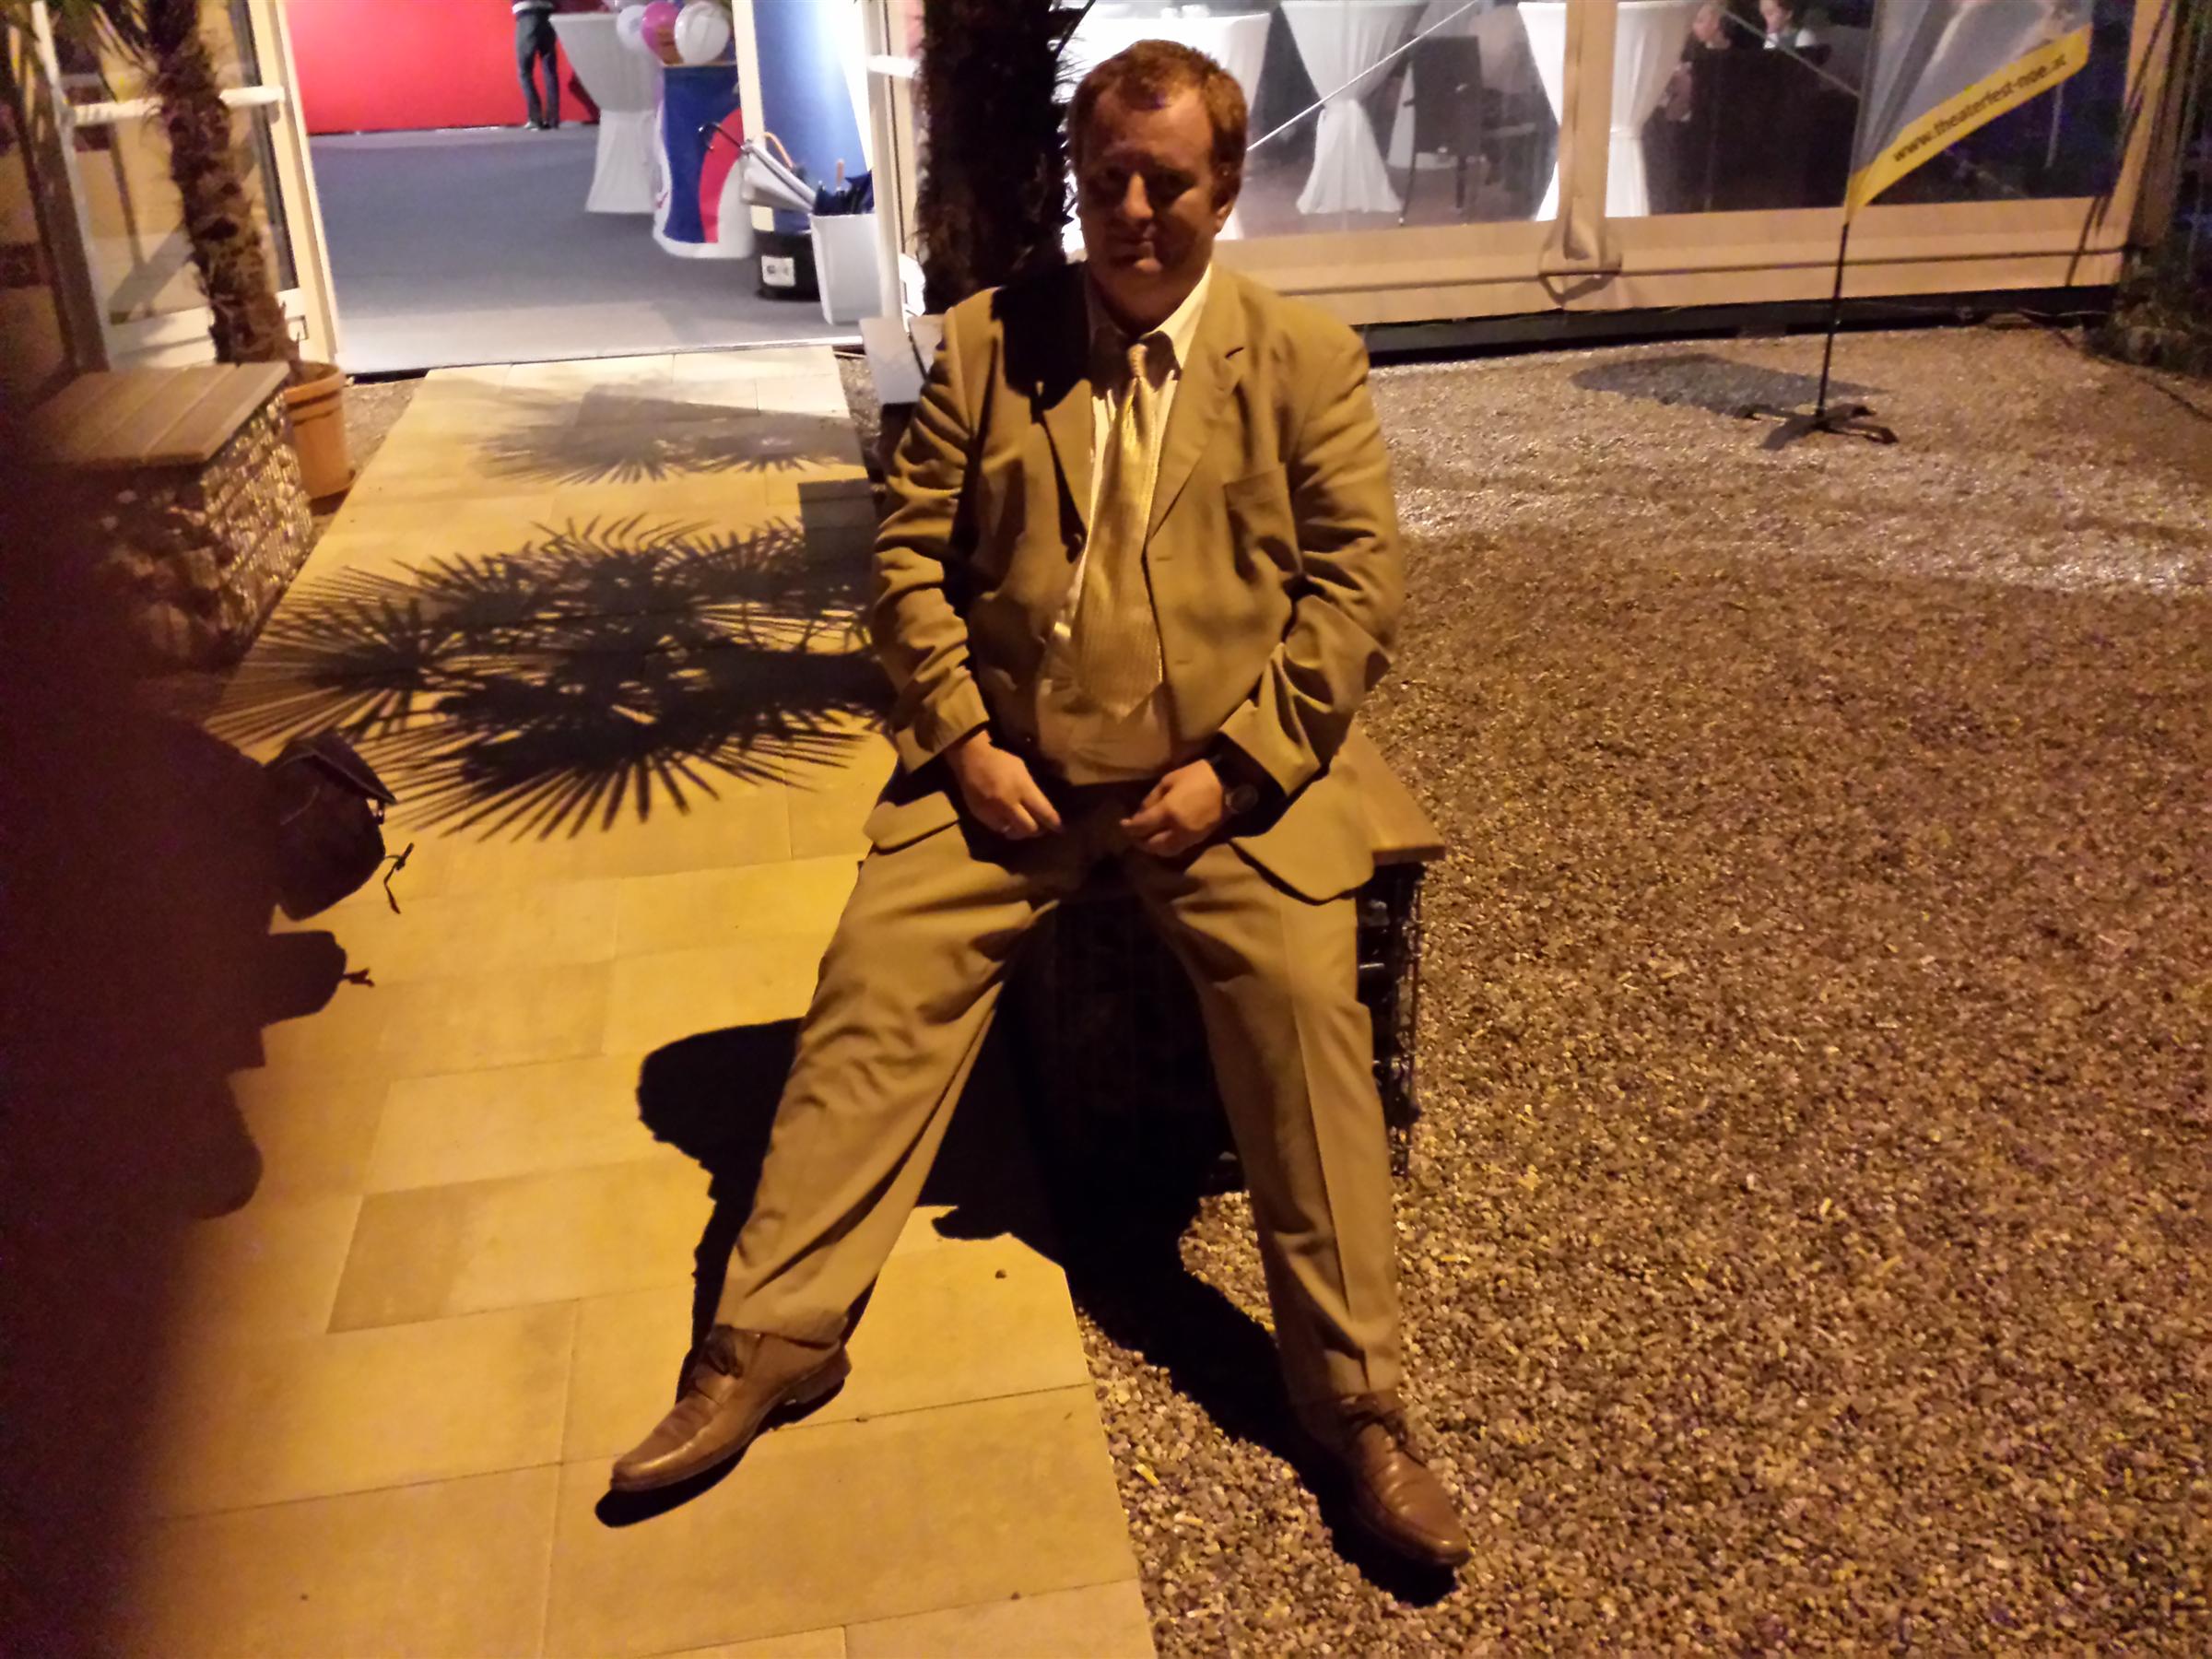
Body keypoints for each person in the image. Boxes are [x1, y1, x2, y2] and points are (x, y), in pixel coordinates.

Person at [607, 39, 1473, 1571]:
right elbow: (905, 564)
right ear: (1079, 179)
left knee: (1303, 1023)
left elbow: (1356, 595)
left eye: (1168, 182)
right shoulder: (988, 344)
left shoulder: (1302, 362)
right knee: (874, 990)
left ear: (1225, 188)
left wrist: (1242, 769)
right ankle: (770, 1337)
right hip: (1011, 776)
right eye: (1108, 179)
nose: (1134, 211)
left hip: (1219, 789)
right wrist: (960, 738)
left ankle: (1356, 1408)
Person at [513, 0, 559, 130]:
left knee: (524, 71)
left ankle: (536, 118)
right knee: (549, 69)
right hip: (548, 14)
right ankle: (553, 119)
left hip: (527, 13)